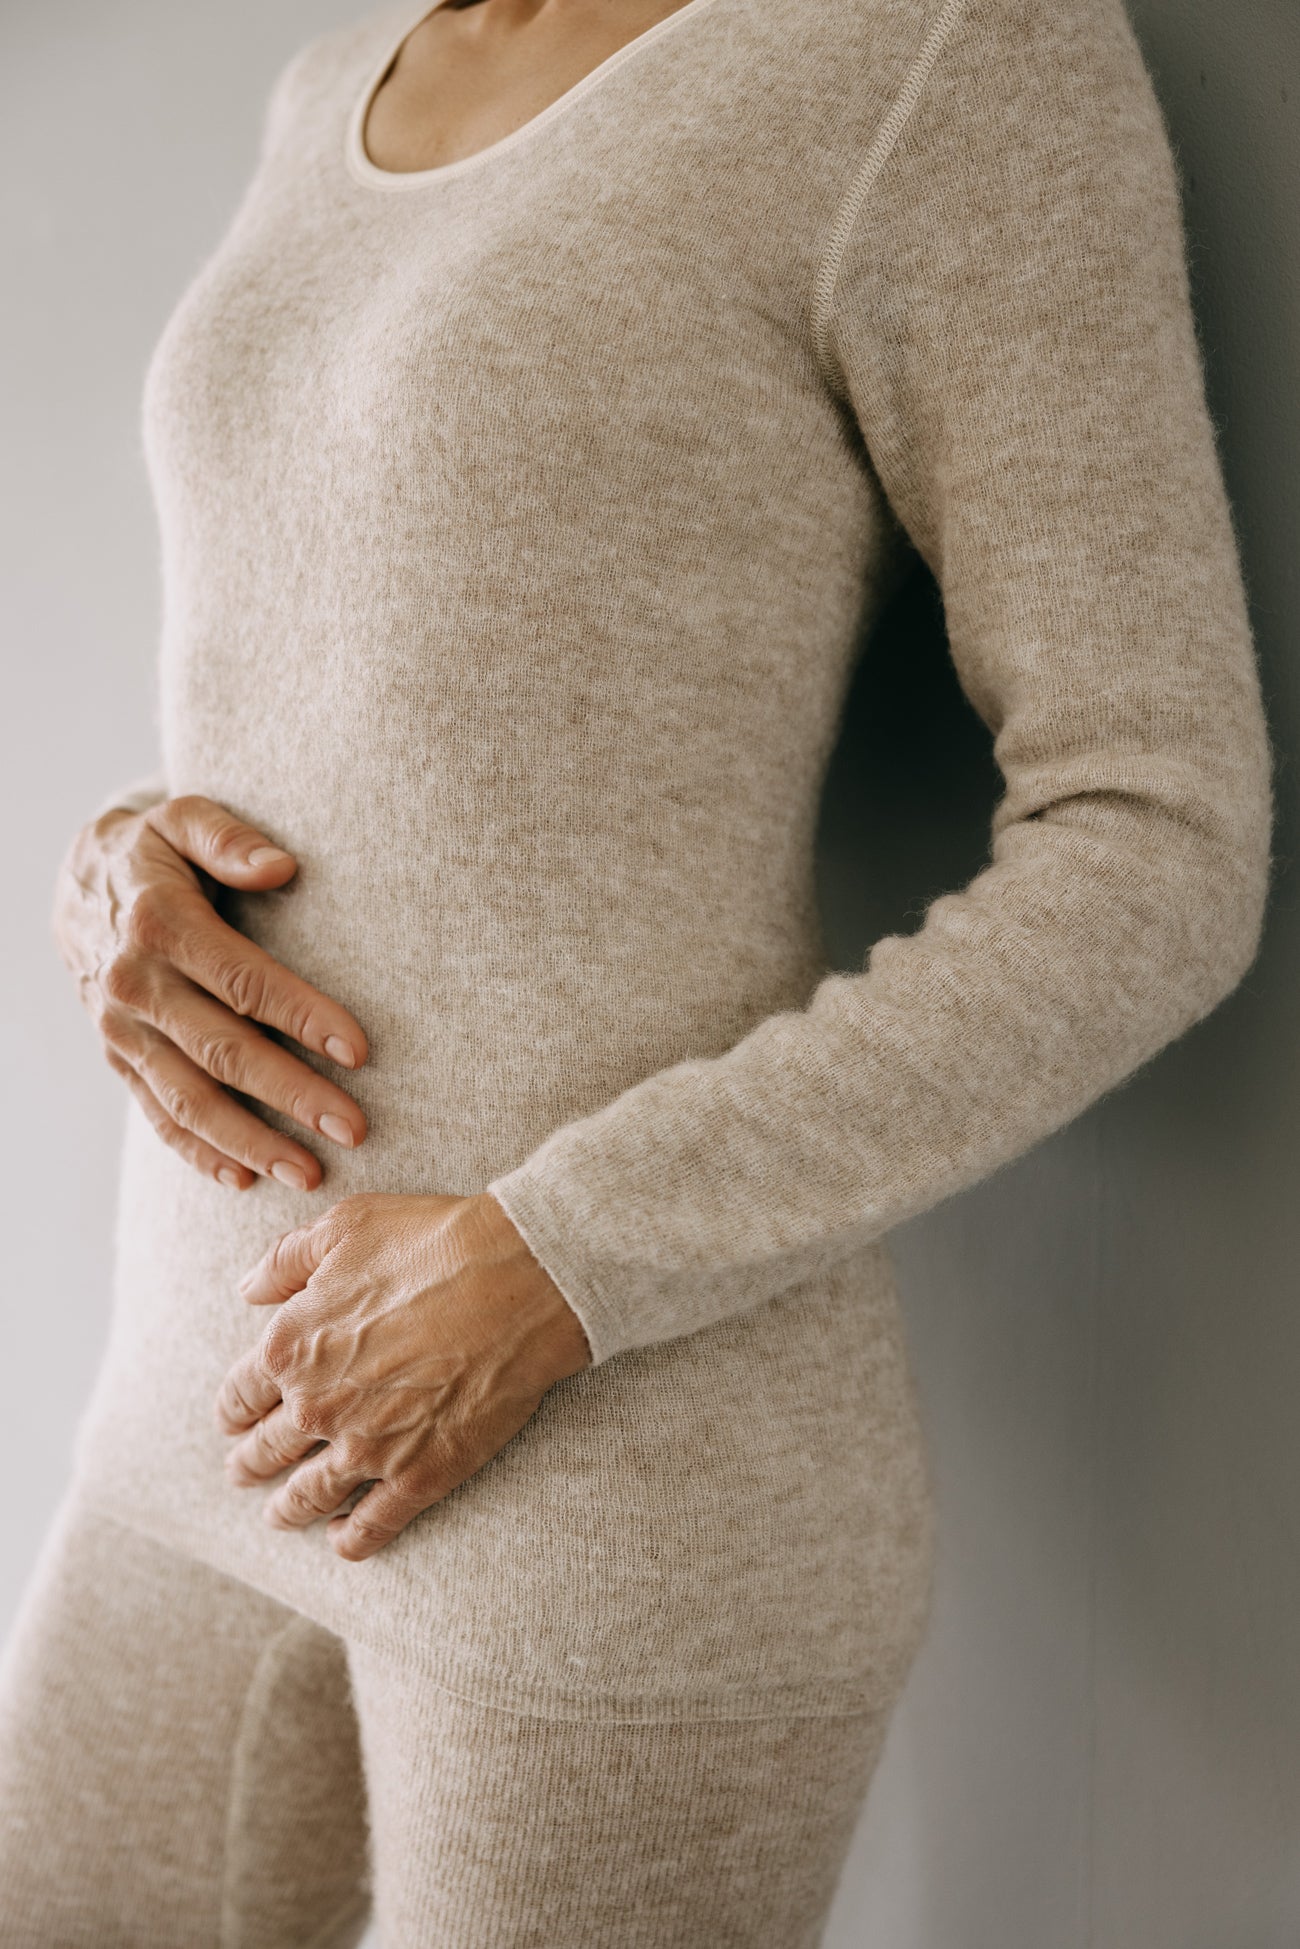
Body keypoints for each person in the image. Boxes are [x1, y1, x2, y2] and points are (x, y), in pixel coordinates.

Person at [0, 0, 1274, 1941]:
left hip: (615, 1498)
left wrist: (558, 1254)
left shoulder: (935, 52)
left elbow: (1158, 840)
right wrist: (113, 868)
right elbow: (324, 670)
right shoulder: (329, 86)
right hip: (190, 1407)